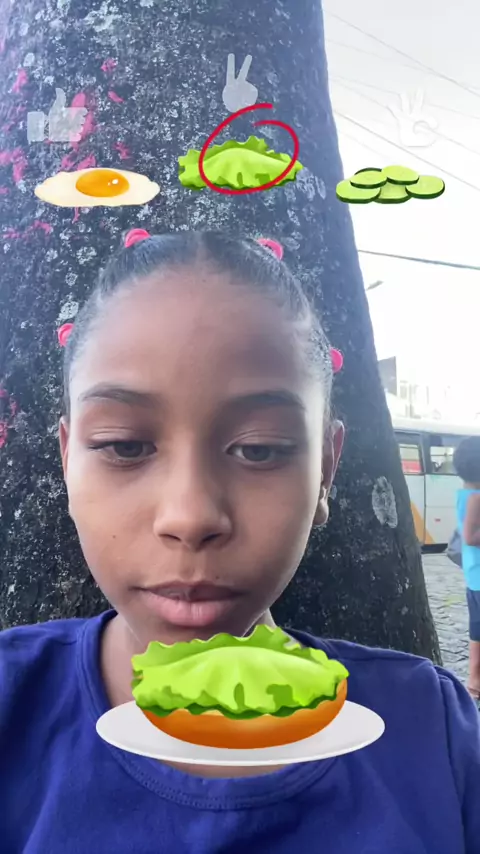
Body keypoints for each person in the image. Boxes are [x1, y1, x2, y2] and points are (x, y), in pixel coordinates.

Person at [1, 230, 479, 854]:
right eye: (123, 445)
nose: (191, 516)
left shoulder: (433, 734)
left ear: (326, 471)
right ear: (68, 463)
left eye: (259, 449)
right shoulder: (11, 702)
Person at [453, 436, 480, 701]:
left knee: (477, 629)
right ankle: (474, 681)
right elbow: (471, 537)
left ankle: (475, 683)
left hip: (475, 576)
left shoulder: (466, 494)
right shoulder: (475, 498)